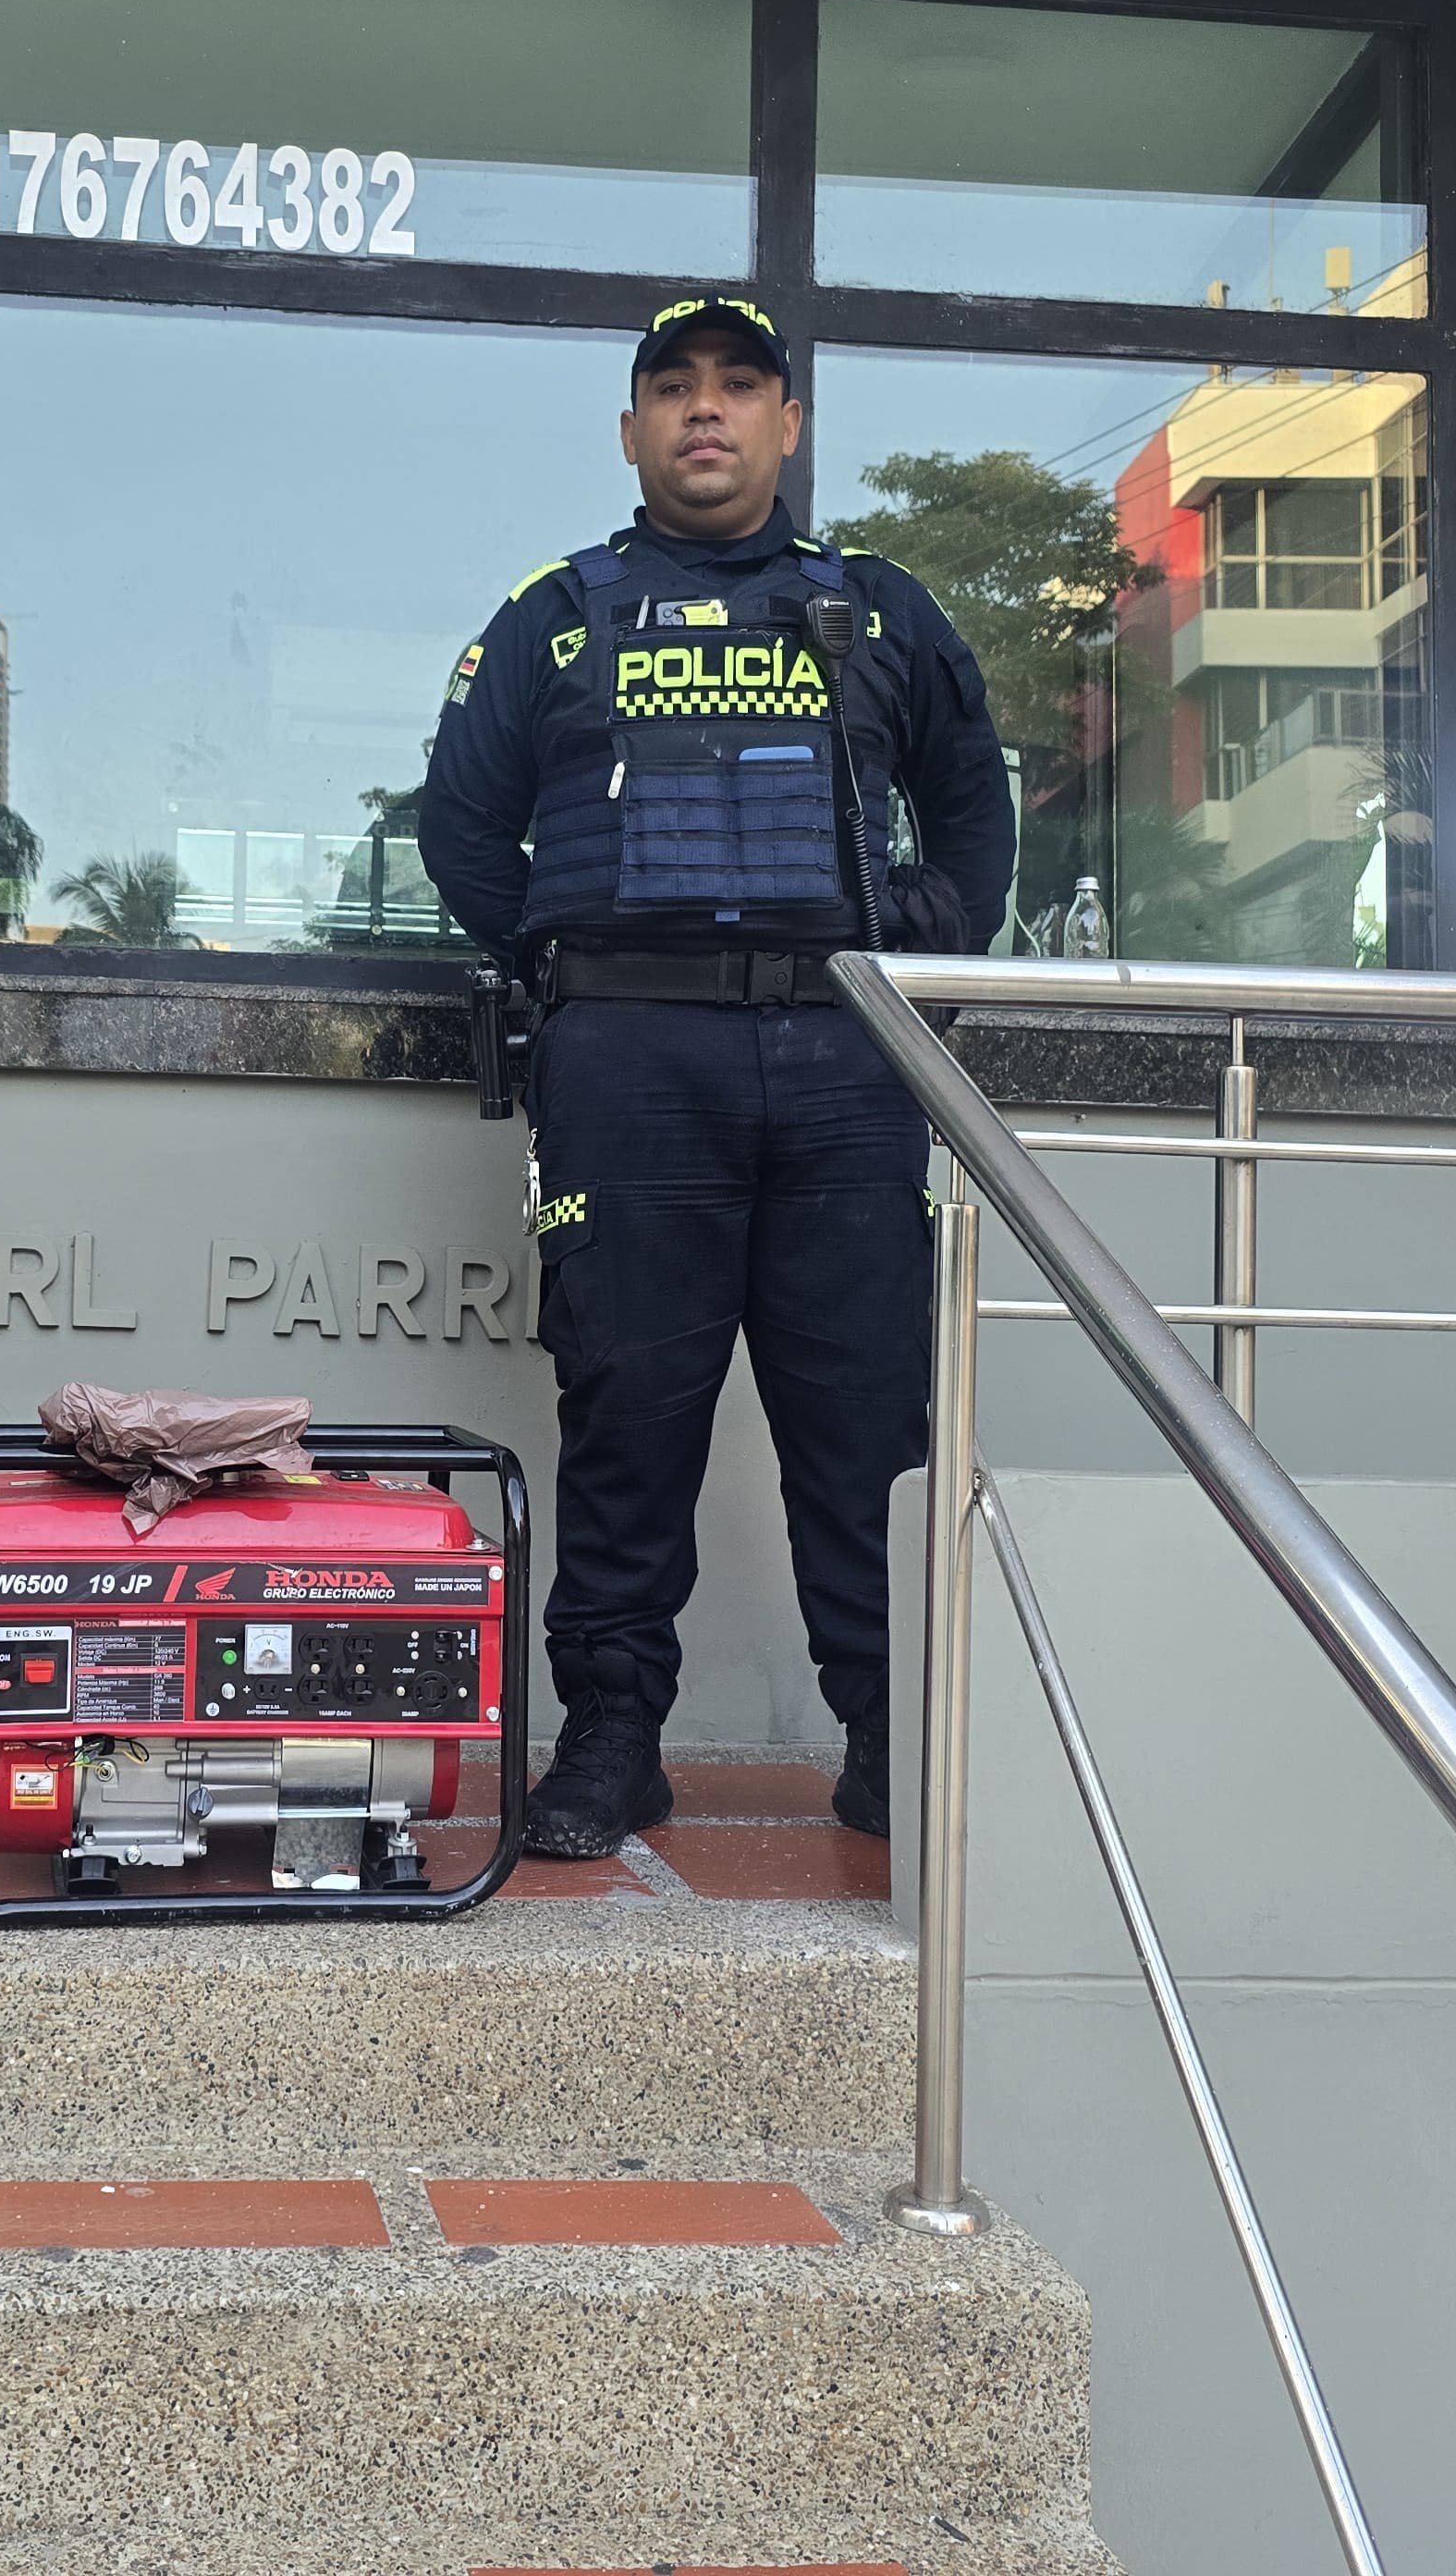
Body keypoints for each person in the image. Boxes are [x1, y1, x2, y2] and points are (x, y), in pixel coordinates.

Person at [418, 294, 1016, 1858]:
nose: (706, 410)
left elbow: (974, 803)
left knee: (867, 1419)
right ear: (631, 430)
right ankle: (614, 1740)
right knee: (627, 1408)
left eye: (740, 386)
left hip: (847, 1060)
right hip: (631, 1063)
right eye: (674, 387)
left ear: (787, 425)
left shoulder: (878, 610)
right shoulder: (557, 615)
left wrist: (930, 939)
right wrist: (578, 945)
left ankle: (890, 1738)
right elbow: (461, 825)